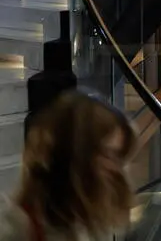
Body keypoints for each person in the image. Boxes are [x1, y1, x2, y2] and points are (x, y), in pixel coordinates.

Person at [0, 91, 136, 240]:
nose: (115, 169)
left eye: (119, 157)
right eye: (108, 154)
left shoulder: (92, 221)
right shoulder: (16, 227)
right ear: (75, 154)